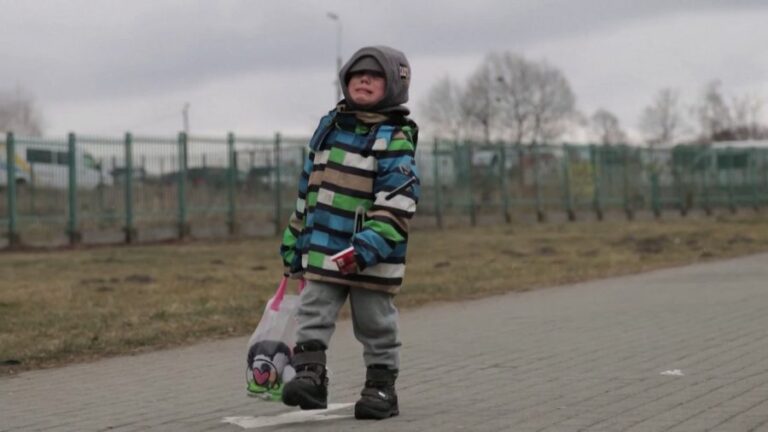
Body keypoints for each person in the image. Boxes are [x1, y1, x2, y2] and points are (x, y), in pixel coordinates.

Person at [278, 45, 419, 420]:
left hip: (372, 254)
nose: (364, 81)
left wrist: (368, 244)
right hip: (325, 247)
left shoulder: (394, 136)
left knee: (375, 322)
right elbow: (308, 190)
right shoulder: (329, 128)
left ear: (394, 86)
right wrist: (295, 238)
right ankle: (310, 377)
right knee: (313, 310)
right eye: (357, 75)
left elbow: (399, 201)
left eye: (375, 76)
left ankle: (381, 388)